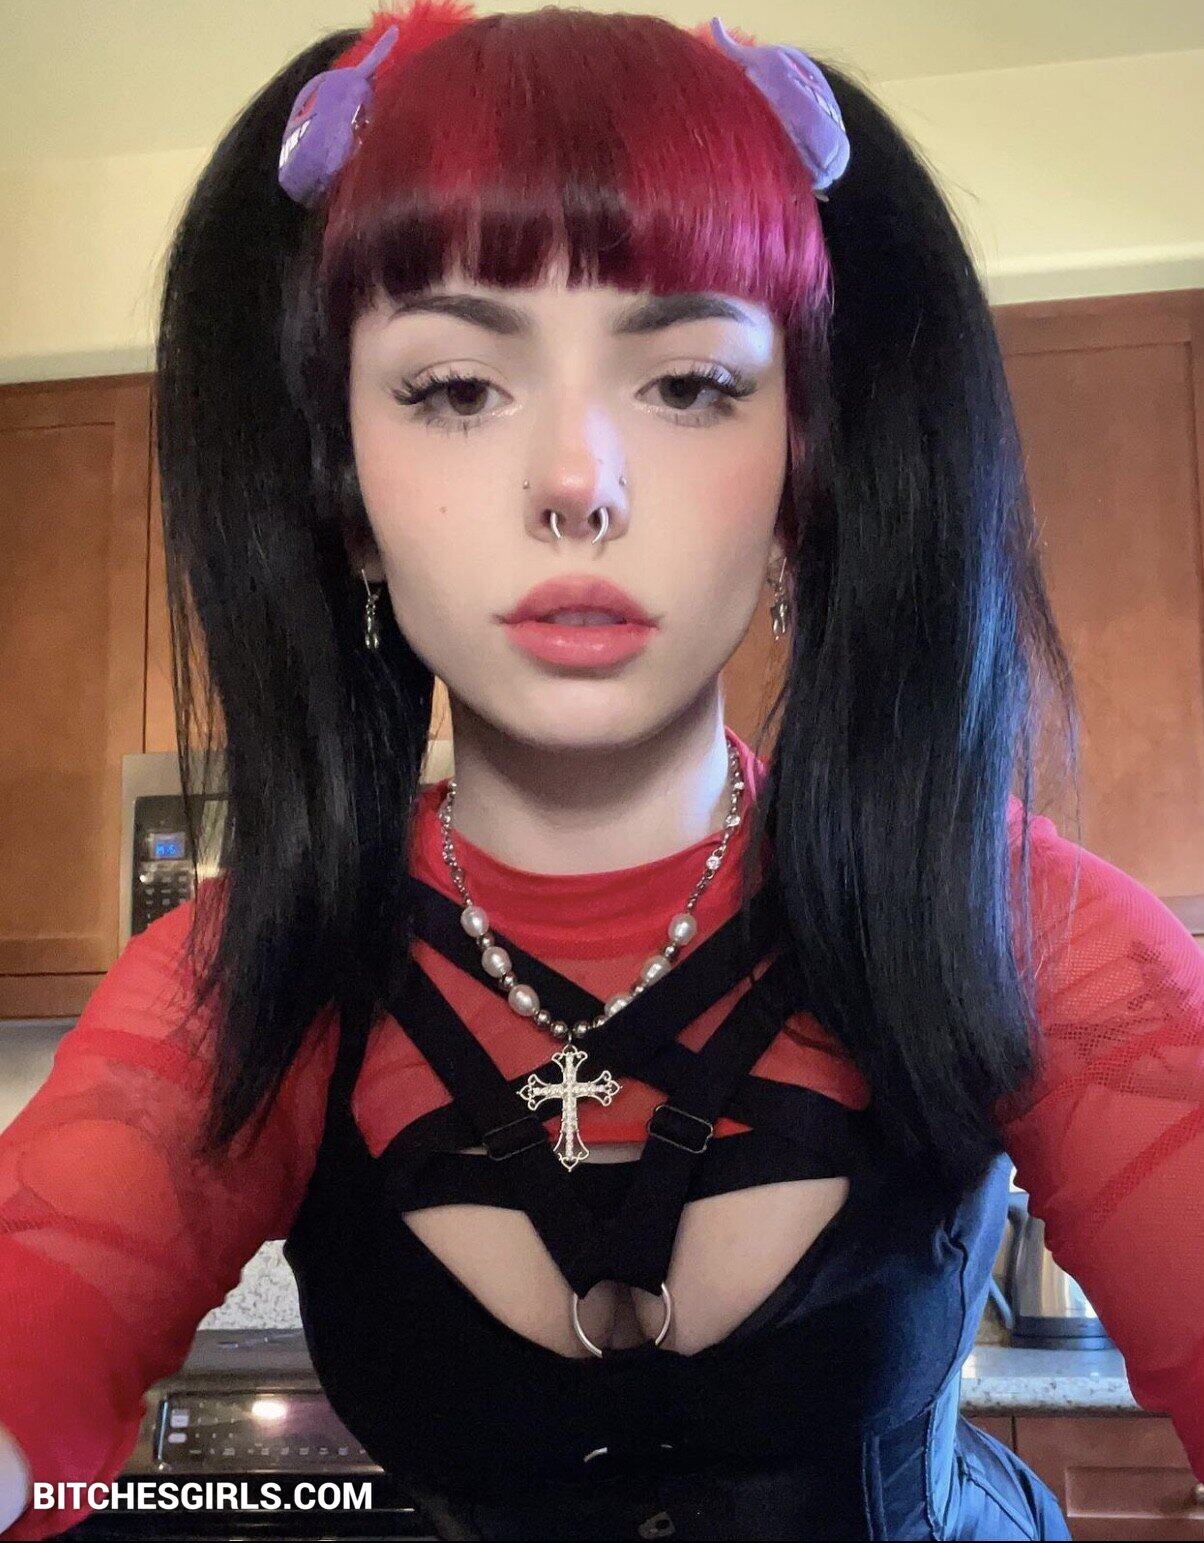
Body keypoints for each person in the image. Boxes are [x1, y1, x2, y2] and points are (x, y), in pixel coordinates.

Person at [1, 2, 1201, 1537]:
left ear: (798, 479)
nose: (579, 481)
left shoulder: (1008, 916)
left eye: (690, 383)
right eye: (454, 388)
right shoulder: (250, 977)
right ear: (346, 500)